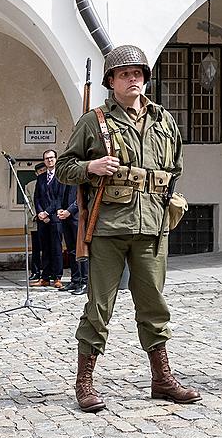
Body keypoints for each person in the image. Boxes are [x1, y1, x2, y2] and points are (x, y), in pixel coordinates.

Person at [56, 45, 199, 413]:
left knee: (154, 304)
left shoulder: (164, 120)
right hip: (108, 228)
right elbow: (63, 169)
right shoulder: (95, 121)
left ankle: (162, 378)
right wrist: (92, 167)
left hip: (152, 225)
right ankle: (84, 381)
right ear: (111, 82)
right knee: (99, 306)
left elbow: (175, 169)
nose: (132, 79)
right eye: (124, 74)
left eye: (137, 73)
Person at [32, 150, 65, 288]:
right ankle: (45, 277)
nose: (49, 160)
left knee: (56, 248)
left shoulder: (61, 176)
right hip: (42, 219)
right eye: (46, 158)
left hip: (55, 218)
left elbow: (59, 198)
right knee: (44, 248)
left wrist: (47, 212)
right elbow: (37, 197)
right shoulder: (41, 178)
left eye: (51, 158)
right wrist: (40, 212)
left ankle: (57, 277)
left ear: (56, 159)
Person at [58, 184, 89, 295]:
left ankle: (85, 282)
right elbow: (59, 196)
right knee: (71, 250)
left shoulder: (80, 178)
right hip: (66, 218)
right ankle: (75, 280)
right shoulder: (64, 179)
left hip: (77, 218)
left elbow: (82, 198)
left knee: (81, 251)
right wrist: (60, 210)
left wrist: (69, 211)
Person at [25, 162, 46, 280]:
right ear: (36, 173)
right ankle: (35, 272)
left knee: (49, 248)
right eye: (40, 171)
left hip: (48, 220)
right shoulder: (30, 186)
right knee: (36, 248)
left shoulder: (51, 182)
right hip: (36, 221)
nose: (42, 173)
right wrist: (35, 215)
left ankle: (49, 273)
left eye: (44, 170)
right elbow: (28, 203)